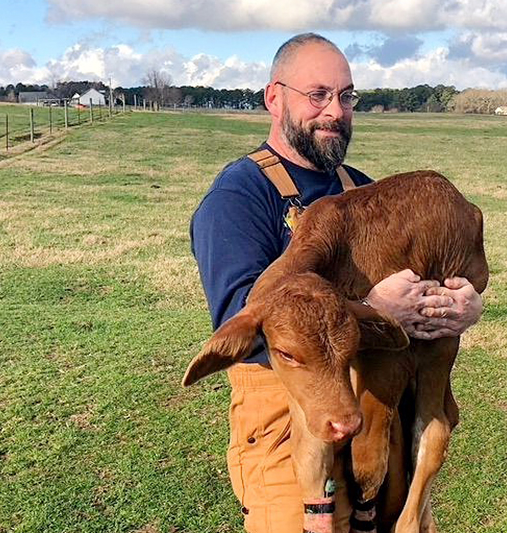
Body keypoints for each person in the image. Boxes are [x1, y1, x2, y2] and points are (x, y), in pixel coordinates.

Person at [190, 32, 483, 533]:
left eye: (346, 97)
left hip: (373, 405)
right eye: (318, 95)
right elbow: (240, 317)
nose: (335, 111)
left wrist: (462, 303)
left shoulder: (361, 186)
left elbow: (416, 287)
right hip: (289, 418)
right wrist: (371, 308)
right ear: (274, 97)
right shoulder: (240, 196)